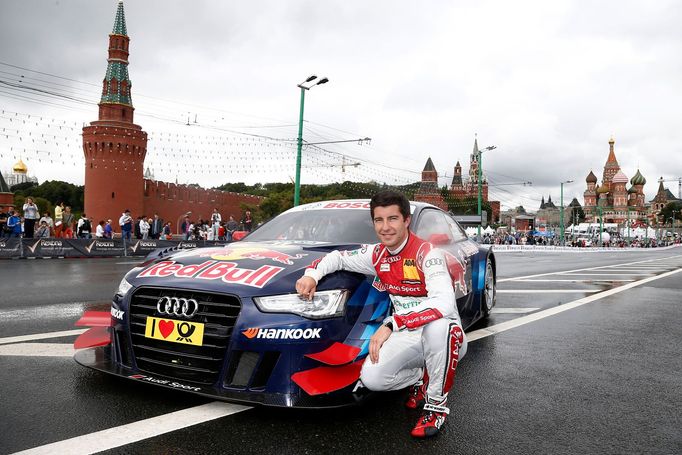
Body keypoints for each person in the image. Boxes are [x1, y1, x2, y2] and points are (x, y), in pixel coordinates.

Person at [295, 191, 467, 438]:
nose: (385, 227)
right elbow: (337, 258)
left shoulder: (428, 254)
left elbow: (444, 303)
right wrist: (312, 275)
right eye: (379, 220)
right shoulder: (377, 255)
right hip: (407, 331)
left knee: (438, 327)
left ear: (406, 220)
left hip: (446, 335)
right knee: (374, 379)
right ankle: (423, 376)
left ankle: (436, 407)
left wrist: (392, 323)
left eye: (393, 219)